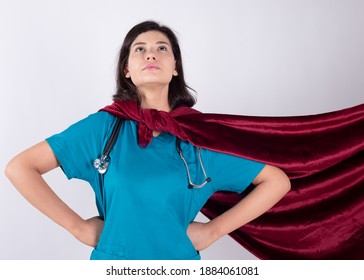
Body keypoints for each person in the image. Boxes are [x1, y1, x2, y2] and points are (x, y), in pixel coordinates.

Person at [5, 20, 291, 260]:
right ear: (127, 69)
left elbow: (276, 181)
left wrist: (212, 231)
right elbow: (20, 167)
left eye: (161, 49)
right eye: (139, 49)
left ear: (175, 67)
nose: (150, 55)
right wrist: (77, 227)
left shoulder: (201, 137)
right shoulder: (104, 128)